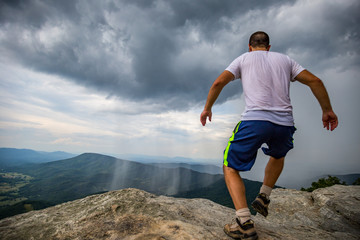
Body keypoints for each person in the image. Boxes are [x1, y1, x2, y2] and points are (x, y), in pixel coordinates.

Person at [200, 31, 338, 240]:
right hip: (284, 124)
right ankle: (264, 196)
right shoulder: (286, 60)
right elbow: (315, 81)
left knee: (229, 166)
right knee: (278, 155)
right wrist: (327, 110)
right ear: (268, 47)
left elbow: (218, 83)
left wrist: (207, 108)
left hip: (255, 120)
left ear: (250, 46)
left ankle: (243, 222)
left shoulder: (243, 59)